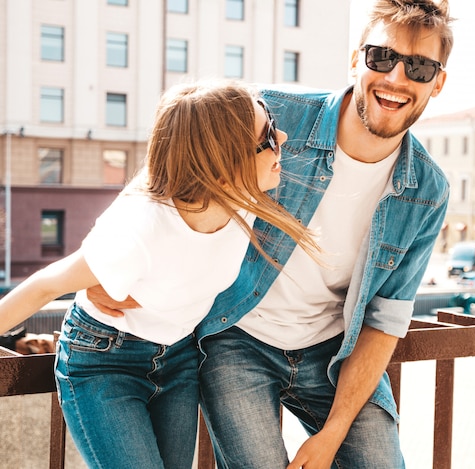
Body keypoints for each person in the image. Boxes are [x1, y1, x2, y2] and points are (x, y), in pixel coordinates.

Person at [90, 0, 453, 466]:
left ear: (438, 82)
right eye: (381, 58)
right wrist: (105, 260)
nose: (397, 79)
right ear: (355, 58)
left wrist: (332, 435)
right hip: (236, 334)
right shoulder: (273, 113)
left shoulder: (427, 190)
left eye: (419, 68)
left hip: (332, 349)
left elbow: (384, 321)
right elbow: (174, 162)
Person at [0, 80, 319, 469]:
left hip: (179, 358)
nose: (282, 135)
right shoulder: (142, 228)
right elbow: (43, 286)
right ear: (221, 167)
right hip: (105, 361)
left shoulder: (244, 197)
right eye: (268, 134)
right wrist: (99, 272)